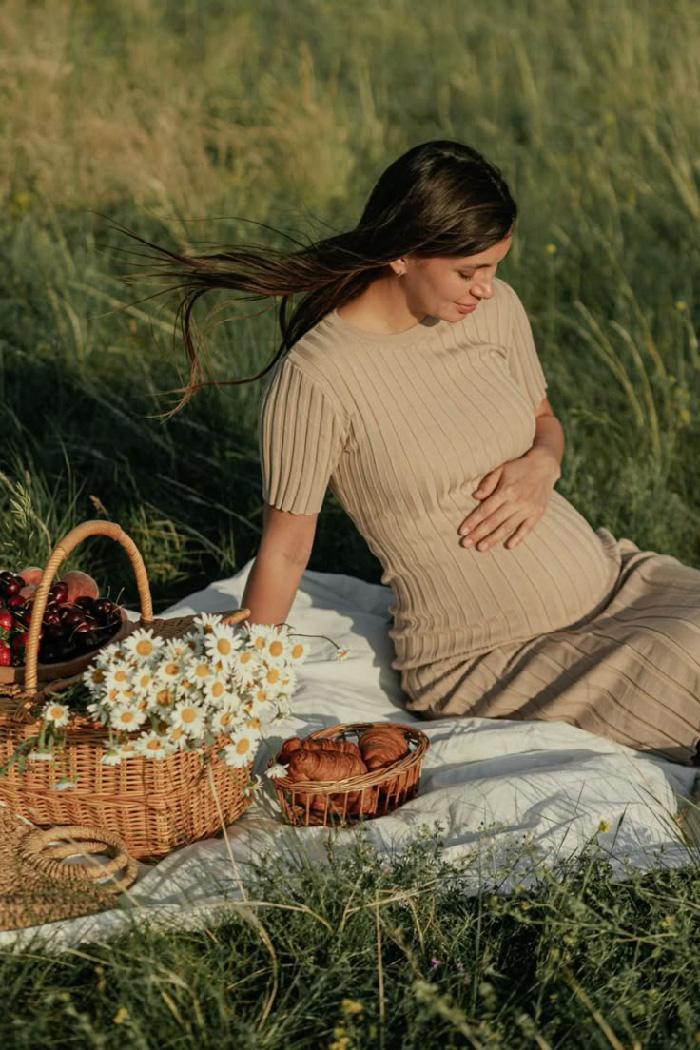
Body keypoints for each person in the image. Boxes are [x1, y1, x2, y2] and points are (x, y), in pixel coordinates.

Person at [128, 139, 700, 767]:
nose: (486, 288)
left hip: (617, 584)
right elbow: (286, 550)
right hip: (490, 654)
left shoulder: (495, 310)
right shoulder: (318, 378)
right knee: (685, 660)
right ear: (402, 253)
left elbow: (544, 421)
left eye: (493, 267)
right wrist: (239, 687)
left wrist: (544, 464)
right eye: (468, 271)